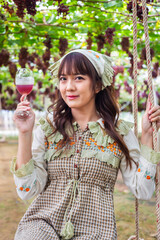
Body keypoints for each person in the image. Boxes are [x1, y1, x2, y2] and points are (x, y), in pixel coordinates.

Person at [11, 49, 160, 240]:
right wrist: (25, 133)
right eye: (63, 78)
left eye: (79, 78)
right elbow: (27, 191)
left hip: (96, 231)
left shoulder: (119, 133)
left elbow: (143, 190)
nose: (69, 87)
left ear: (97, 85)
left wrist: (147, 135)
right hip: (42, 223)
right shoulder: (49, 128)